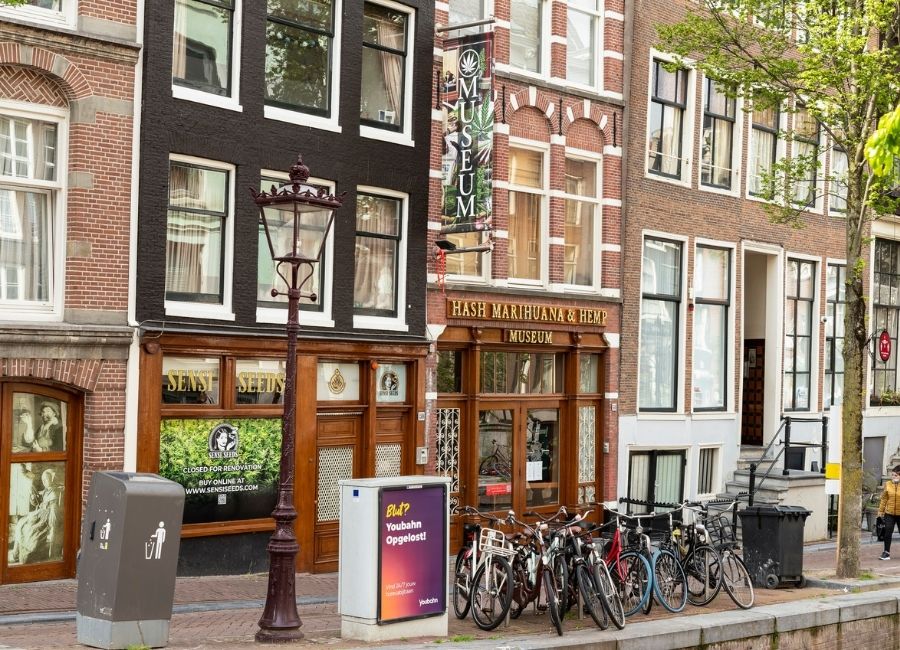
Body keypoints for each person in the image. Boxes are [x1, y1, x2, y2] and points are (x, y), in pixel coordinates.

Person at [9, 468, 63, 565]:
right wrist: (34, 498)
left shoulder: (54, 493)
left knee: (29, 529)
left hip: (47, 518)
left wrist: (52, 527)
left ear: (52, 479)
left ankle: (22, 556)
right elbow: (38, 502)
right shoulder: (47, 491)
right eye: (43, 480)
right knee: (21, 523)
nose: (44, 482)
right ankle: (16, 554)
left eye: (46, 479)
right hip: (40, 514)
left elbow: (54, 513)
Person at [877, 465, 900, 560]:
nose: (893, 477)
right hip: (889, 513)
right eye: (892, 475)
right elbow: (884, 499)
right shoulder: (888, 484)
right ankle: (886, 552)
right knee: (887, 532)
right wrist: (880, 511)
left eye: (896, 475)